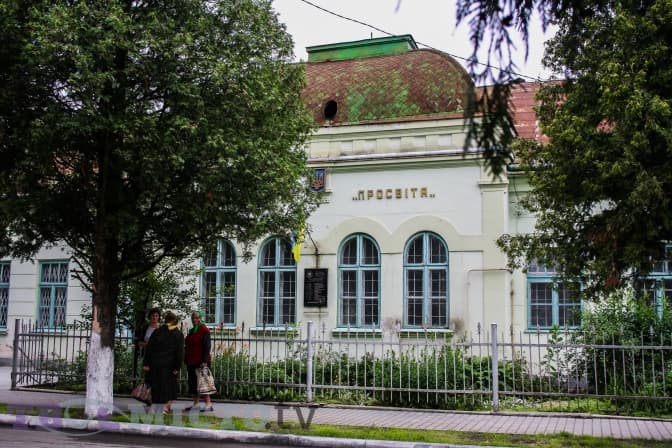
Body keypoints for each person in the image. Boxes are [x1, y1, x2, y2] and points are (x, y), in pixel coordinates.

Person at [143, 310, 184, 414]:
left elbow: (149, 348)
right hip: (169, 366)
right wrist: (177, 367)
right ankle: (164, 408)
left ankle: (154, 408)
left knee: (156, 387)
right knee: (168, 388)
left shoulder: (157, 332)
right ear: (175, 321)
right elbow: (180, 352)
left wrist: (146, 363)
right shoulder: (178, 334)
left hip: (155, 364)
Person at [184, 310, 214, 412]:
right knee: (194, 384)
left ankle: (208, 404)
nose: (194, 320)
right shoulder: (192, 331)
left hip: (201, 361)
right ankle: (196, 404)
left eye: (197, 317)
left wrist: (204, 361)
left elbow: (207, 346)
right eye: (193, 318)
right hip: (192, 361)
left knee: (203, 383)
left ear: (201, 318)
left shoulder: (204, 330)